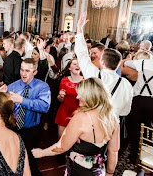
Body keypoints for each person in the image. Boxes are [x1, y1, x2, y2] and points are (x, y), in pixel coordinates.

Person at [32, 78, 119, 176]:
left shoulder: (81, 118)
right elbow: (113, 151)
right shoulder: (112, 118)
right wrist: (109, 173)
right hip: (98, 172)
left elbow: (61, 147)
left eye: (81, 94)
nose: (77, 97)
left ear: (90, 96)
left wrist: (41, 153)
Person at [74, 12, 132, 146]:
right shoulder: (126, 84)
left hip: (92, 126)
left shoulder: (95, 75)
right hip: (111, 126)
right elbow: (126, 111)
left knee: (87, 155)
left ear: (102, 63)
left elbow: (82, 54)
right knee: (106, 154)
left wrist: (80, 29)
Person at [0, 58, 51, 176]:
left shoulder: (42, 87)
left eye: (27, 71)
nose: (23, 73)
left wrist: (21, 100)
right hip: (13, 128)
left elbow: (44, 106)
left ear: (35, 72)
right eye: (22, 70)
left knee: (29, 161)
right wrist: (0, 94)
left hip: (31, 130)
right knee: (12, 158)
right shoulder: (12, 86)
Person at [122, 54, 153, 164]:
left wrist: (128, 58)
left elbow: (126, 63)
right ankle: (145, 156)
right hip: (151, 102)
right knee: (148, 129)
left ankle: (133, 155)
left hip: (137, 101)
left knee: (133, 129)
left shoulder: (142, 63)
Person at [55, 57, 83, 138]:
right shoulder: (64, 80)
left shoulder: (85, 81)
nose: (77, 65)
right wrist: (60, 96)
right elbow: (59, 100)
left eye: (79, 64)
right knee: (61, 139)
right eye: (74, 64)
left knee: (75, 140)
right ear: (70, 68)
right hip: (64, 112)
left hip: (78, 113)